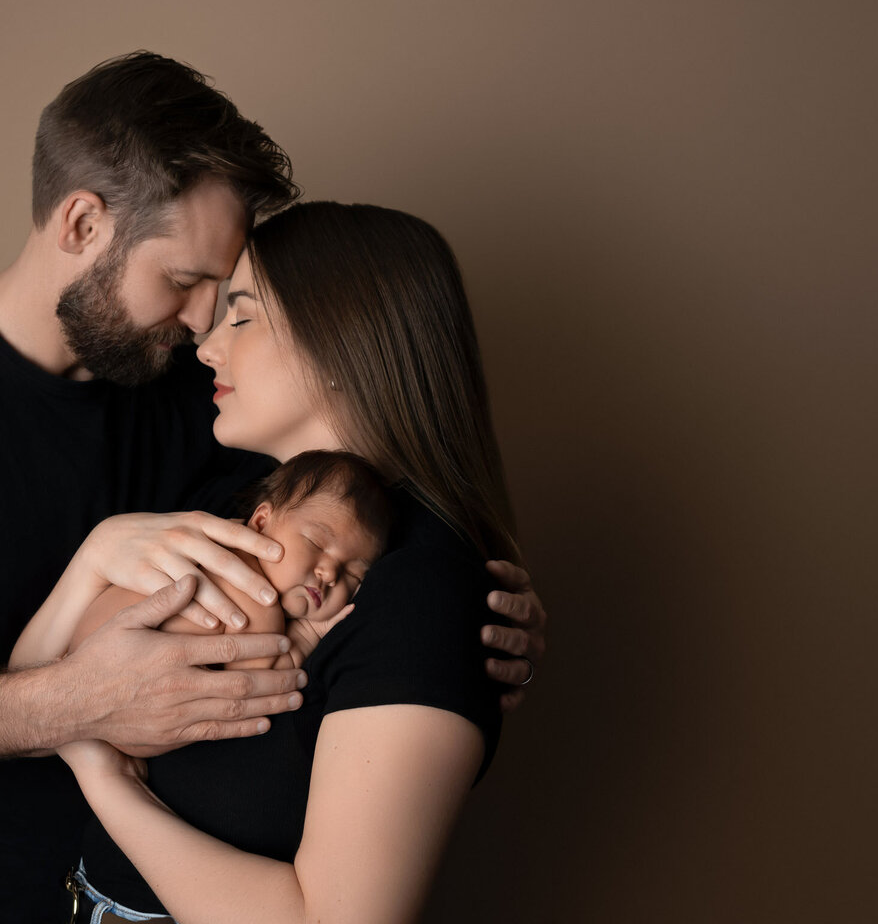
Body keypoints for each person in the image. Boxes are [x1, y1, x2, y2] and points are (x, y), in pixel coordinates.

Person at [0, 53, 546, 922]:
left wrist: (470, 618)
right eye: (186, 280)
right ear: (84, 224)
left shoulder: (221, 403)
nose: (206, 324)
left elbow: (369, 519)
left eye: (230, 294)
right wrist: (75, 705)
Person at [40, 201, 534, 923]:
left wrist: (102, 778)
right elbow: (43, 682)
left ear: (339, 347)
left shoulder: (420, 589)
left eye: (241, 317)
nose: (206, 347)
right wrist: (94, 557)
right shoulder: (229, 503)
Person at [13, 449, 393, 689]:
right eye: (315, 543)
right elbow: (267, 680)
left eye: (353, 575)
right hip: (102, 683)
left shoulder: (210, 539)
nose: (330, 574)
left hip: (67, 662)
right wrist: (310, 633)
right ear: (260, 522)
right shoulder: (255, 601)